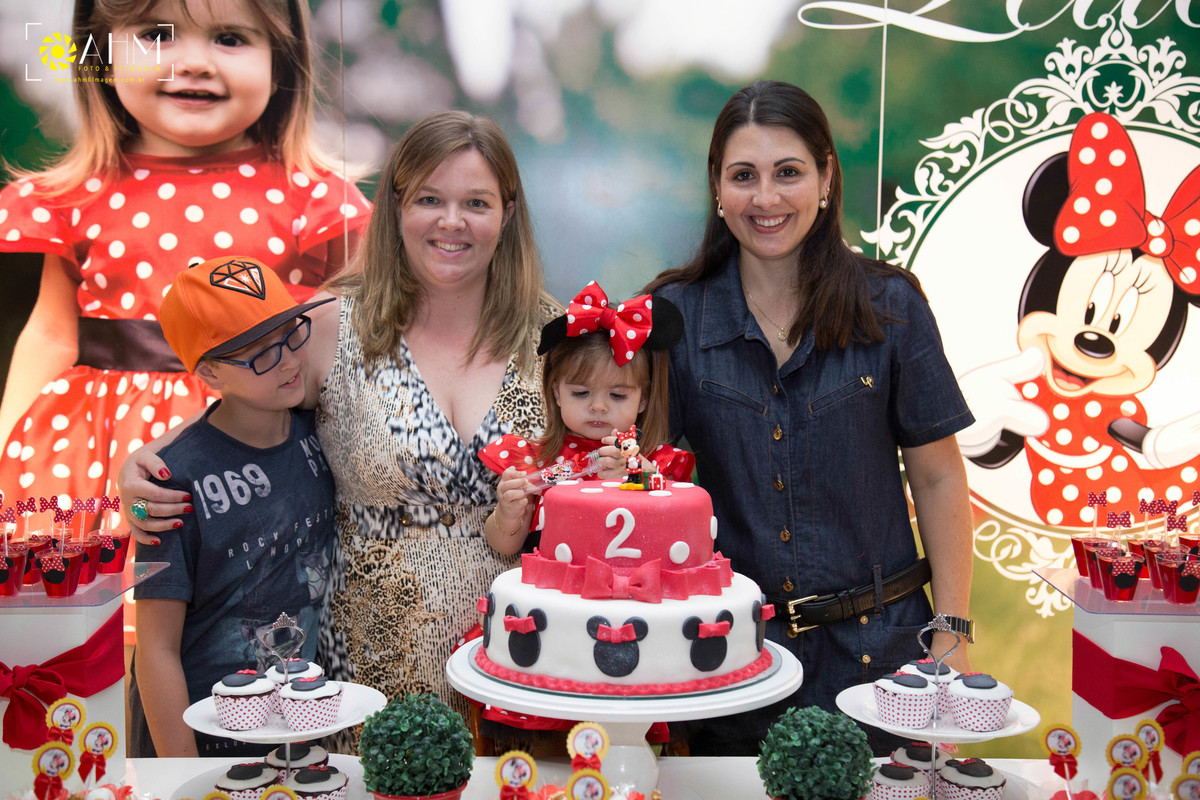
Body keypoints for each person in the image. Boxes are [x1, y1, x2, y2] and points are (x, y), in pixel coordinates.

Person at [119, 111, 558, 743]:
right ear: (395, 206)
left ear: (508, 213)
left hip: (514, 668)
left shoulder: (558, 337)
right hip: (357, 679)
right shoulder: (329, 324)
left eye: (477, 203)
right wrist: (135, 464)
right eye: (430, 199)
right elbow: (229, 406)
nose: (451, 221)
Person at [645, 80, 975, 755]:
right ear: (717, 187)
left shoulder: (893, 308)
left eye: (788, 172)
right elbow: (646, 488)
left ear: (825, 177)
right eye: (744, 176)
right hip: (735, 667)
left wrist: (953, 633)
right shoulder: (674, 318)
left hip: (887, 666)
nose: (765, 199)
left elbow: (940, 480)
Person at [0, 0, 370, 521]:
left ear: (281, 61)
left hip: (261, 460)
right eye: (158, 35)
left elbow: (349, 346)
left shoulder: (312, 201)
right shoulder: (77, 197)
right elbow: (52, 335)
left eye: (231, 39)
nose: (195, 61)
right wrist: (6, 444)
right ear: (102, 52)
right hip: (96, 457)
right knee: (102, 594)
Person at [127, 255, 335, 758]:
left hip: (292, 729)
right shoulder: (171, 483)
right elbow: (154, 649)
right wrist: (181, 773)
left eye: (290, 335)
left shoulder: (318, 428)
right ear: (209, 372)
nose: (287, 361)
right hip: (202, 738)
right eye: (259, 354)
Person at [478, 281, 694, 556]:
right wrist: (507, 511)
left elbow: (678, 532)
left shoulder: (657, 464)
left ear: (644, 399)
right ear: (556, 393)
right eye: (581, 393)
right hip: (555, 594)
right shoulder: (535, 461)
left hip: (629, 593)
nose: (598, 406)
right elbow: (505, 546)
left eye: (617, 396)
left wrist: (640, 478)